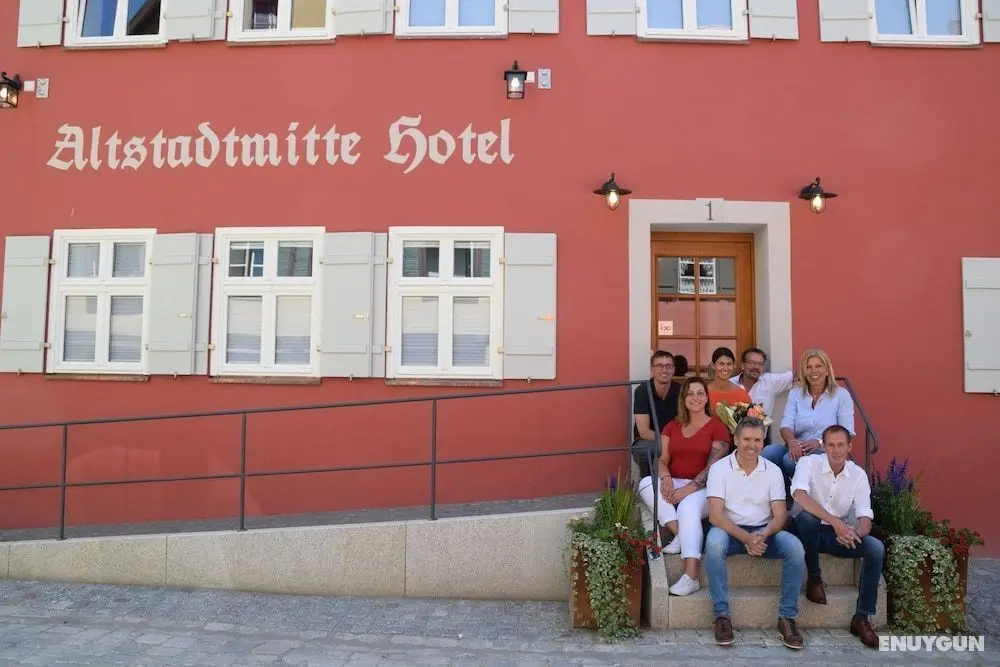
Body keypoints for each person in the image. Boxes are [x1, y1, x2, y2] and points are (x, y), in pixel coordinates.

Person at [704, 417, 805, 649]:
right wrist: (746, 538)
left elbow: (780, 515)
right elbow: (715, 516)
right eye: (747, 439)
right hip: (729, 531)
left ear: (763, 442)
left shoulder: (773, 471)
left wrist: (763, 535)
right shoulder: (719, 469)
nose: (752, 445)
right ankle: (722, 616)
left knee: (795, 548)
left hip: (764, 533)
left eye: (758, 440)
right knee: (714, 544)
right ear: (736, 440)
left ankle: (787, 618)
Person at [791, 424, 883, 649]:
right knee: (808, 518)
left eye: (840, 445)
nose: (835, 450)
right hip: (804, 534)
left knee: (876, 548)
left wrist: (854, 533)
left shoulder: (858, 475)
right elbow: (800, 496)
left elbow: (865, 517)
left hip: (835, 536)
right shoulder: (808, 463)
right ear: (823, 447)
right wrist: (837, 522)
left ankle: (861, 617)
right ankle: (814, 578)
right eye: (830, 445)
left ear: (849, 447)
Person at [637, 377, 730, 596]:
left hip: (705, 487)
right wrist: (666, 477)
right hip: (676, 481)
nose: (695, 398)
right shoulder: (672, 425)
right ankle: (680, 533)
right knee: (645, 483)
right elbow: (661, 459)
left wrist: (688, 489)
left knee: (688, 507)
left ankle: (691, 576)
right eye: (690, 393)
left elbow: (713, 468)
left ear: (706, 398)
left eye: (700, 393)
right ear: (684, 399)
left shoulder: (718, 427)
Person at [762, 348, 855, 479]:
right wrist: (792, 443)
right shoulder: (796, 393)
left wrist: (820, 442)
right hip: (797, 446)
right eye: (808, 367)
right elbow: (786, 425)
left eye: (818, 366)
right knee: (769, 453)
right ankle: (783, 489)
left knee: (790, 460)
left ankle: (801, 489)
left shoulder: (841, 395)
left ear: (827, 370)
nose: (813, 371)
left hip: (825, 450)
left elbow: (847, 431)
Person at [632, 351, 681, 481]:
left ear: (673, 369)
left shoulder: (681, 390)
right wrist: (667, 441)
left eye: (668, 366)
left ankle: (677, 484)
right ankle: (648, 484)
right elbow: (644, 432)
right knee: (646, 450)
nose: (664, 370)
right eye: (659, 366)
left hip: (675, 438)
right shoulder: (642, 391)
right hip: (649, 440)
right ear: (652, 369)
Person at [730, 347, 795, 436]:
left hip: (759, 440)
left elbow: (796, 375)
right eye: (751, 363)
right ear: (742, 365)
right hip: (732, 438)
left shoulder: (770, 382)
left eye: (760, 364)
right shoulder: (730, 384)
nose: (756, 367)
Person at [706, 347, 751, 414]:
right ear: (713, 365)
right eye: (721, 364)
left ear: (734, 365)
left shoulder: (741, 394)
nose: (725, 368)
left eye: (729, 364)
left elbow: (749, 418)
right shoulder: (704, 392)